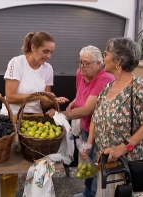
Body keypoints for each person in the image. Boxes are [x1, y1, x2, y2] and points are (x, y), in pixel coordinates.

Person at [84, 37, 143, 196]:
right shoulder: (107, 88)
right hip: (107, 162)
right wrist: (89, 144)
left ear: (118, 60)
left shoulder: (138, 86)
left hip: (128, 163)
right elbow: (96, 118)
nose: (103, 58)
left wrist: (123, 147)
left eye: (106, 54)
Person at [0, 31, 68, 197]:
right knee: (10, 167)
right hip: (12, 118)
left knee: (39, 165)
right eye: (46, 51)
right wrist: (38, 95)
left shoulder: (47, 69)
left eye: (51, 52)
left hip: (35, 121)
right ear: (33, 47)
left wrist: (53, 100)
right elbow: (11, 97)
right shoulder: (17, 63)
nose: (49, 56)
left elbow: (44, 102)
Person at [46, 45, 114, 197]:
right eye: (80, 62)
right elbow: (83, 93)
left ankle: (95, 194)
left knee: (97, 163)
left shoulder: (105, 79)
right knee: (87, 161)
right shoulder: (80, 73)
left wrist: (61, 114)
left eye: (86, 63)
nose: (82, 67)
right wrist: (76, 101)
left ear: (99, 63)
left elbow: (88, 109)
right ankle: (87, 192)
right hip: (85, 125)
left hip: (100, 129)